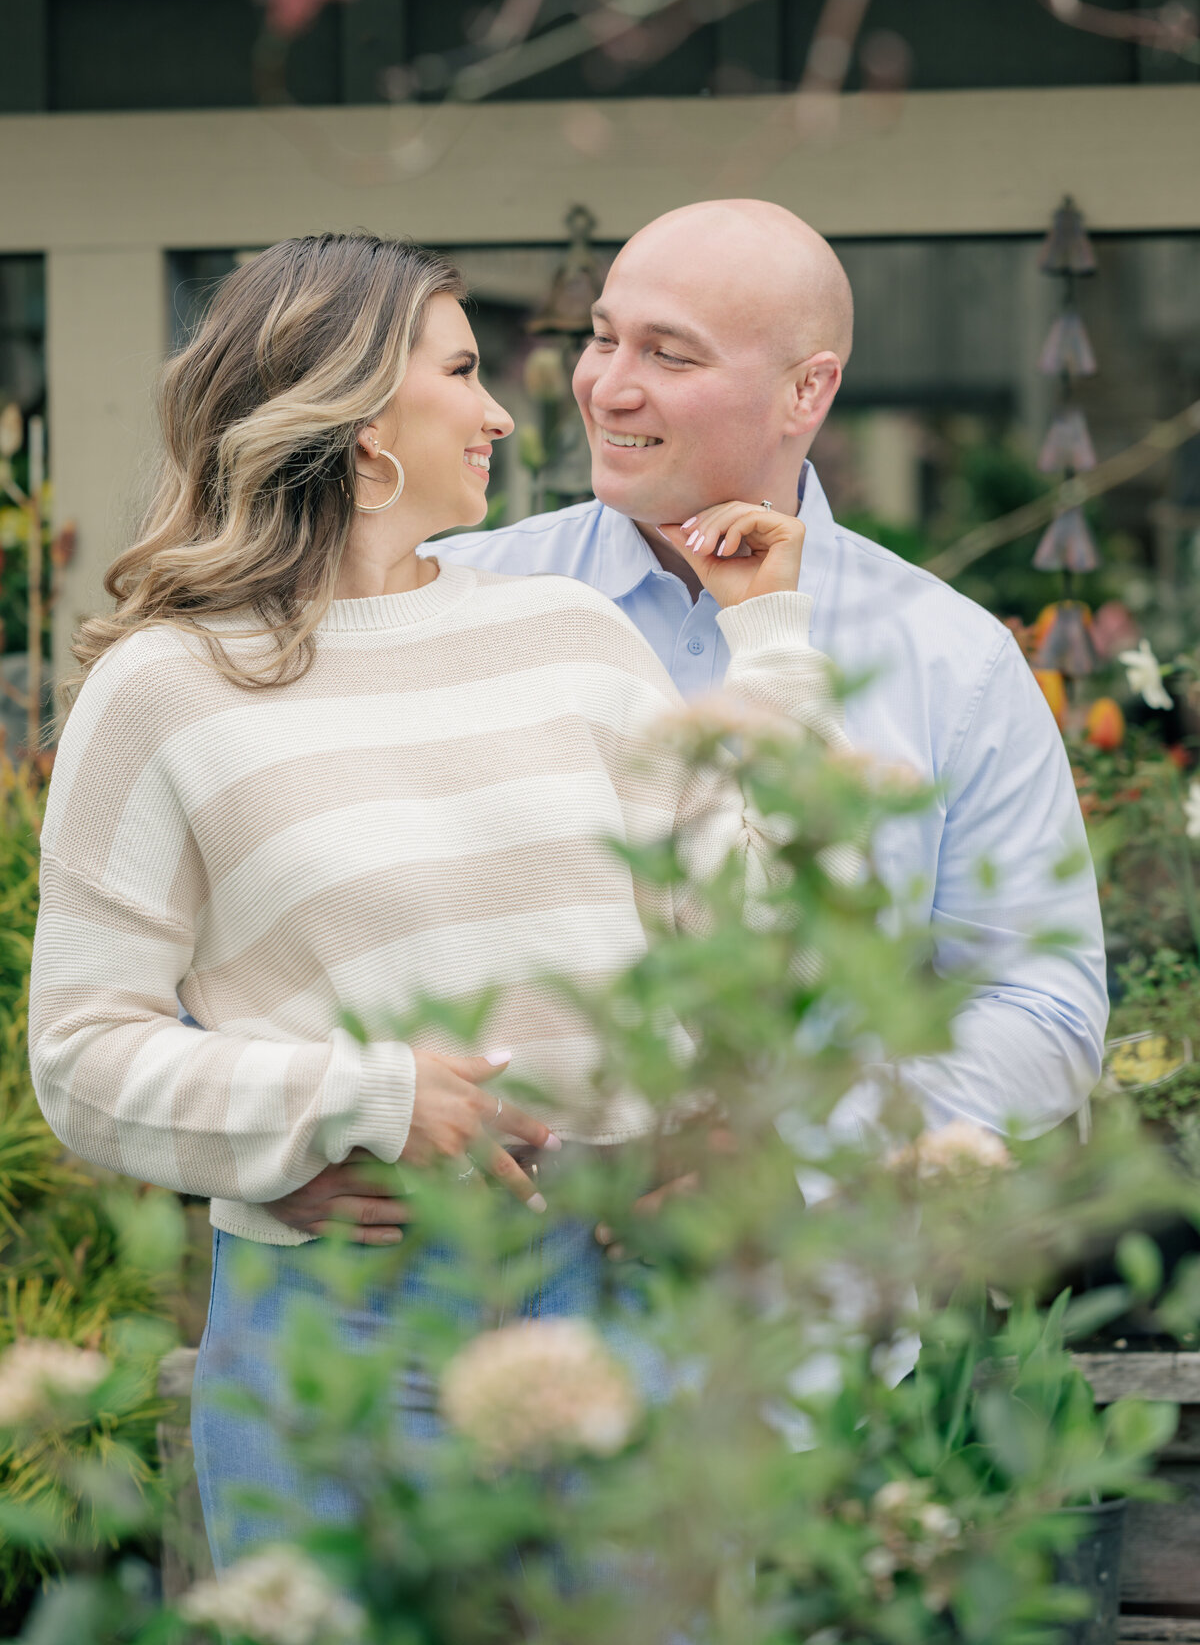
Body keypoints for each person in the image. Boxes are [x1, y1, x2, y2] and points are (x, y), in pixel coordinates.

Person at [28, 231, 847, 1566]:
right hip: (342, 1313)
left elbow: (761, 937)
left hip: (614, 1286)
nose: (502, 411)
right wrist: (356, 1101)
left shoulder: (569, 636)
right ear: (356, 420)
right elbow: (79, 1058)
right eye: (464, 371)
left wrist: (768, 641)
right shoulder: (166, 688)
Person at [273, 200, 1106, 1245]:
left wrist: (796, 1155)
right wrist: (282, 1152)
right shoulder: (443, 594)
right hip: (466, 1322)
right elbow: (264, 914)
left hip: (804, 1351)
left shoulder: (957, 663)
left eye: (670, 355)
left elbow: (1046, 1012)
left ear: (809, 389)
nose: (607, 386)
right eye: (604, 337)